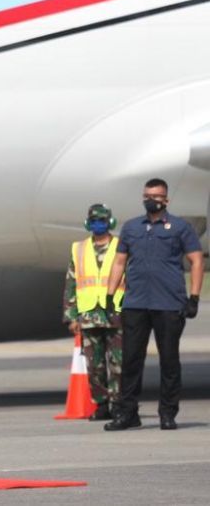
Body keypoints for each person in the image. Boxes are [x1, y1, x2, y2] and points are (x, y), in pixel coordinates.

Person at [104, 178, 204, 431]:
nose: (151, 200)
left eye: (156, 196)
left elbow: (196, 260)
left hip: (169, 303)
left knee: (169, 361)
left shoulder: (180, 227)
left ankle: (167, 413)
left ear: (166, 199)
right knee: (131, 360)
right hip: (136, 303)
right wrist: (110, 295)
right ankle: (127, 413)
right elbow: (119, 262)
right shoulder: (131, 227)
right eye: (147, 196)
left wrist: (194, 297)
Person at [62, 203, 124, 421]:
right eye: (94, 221)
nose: (98, 224)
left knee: (118, 364)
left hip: (116, 314)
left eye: (102, 220)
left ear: (110, 222)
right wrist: (71, 316)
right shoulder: (79, 249)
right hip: (89, 315)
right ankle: (102, 404)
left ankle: (118, 404)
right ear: (88, 223)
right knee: (94, 365)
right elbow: (71, 283)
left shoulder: (121, 246)